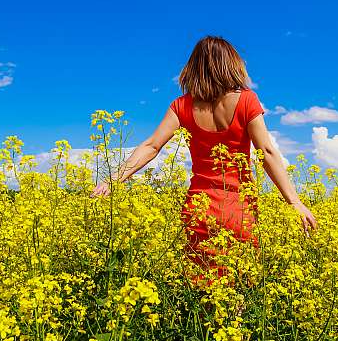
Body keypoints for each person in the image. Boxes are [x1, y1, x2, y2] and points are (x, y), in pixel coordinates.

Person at [91, 35, 317, 283]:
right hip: (238, 207)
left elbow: (152, 145)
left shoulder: (182, 106)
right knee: (238, 286)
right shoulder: (247, 100)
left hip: (199, 207)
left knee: (202, 287)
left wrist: (114, 180)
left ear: (194, 68)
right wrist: (293, 201)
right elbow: (268, 152)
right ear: (231, 64)